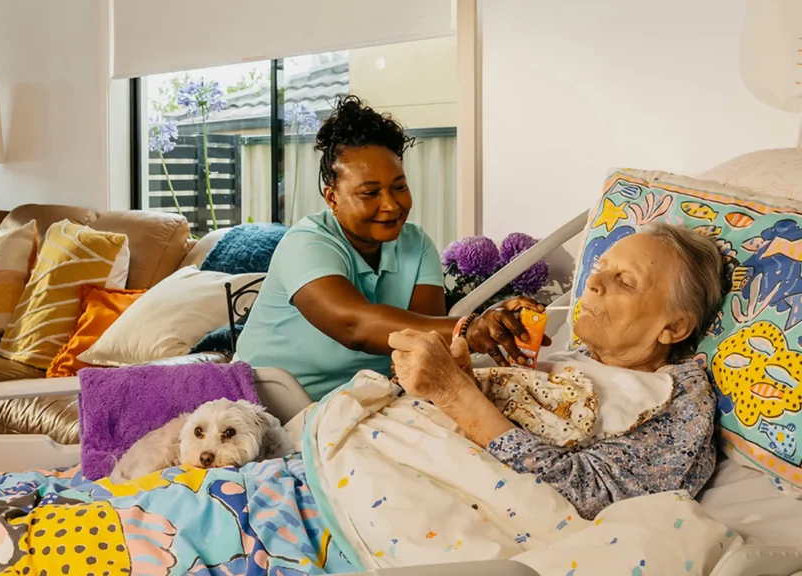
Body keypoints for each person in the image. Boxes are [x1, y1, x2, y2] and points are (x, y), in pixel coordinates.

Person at [389, 223, 724, 519]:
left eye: (624, 281)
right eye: (600, 267)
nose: (592, 281)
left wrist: (454, 393)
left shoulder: (677, 397)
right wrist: (456, 376)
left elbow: (590, 495)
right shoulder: (576, 359)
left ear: (675, 327)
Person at [234, 95, 546, 401]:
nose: (391, 204)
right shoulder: (306, 243)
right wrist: (470, 328)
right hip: (270, 403)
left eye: (399, 187)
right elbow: (354, 325)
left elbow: (423, 343)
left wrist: (495, 323)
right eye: (370, 193)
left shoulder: (416, 244)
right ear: (332, 198)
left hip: (363, 403)